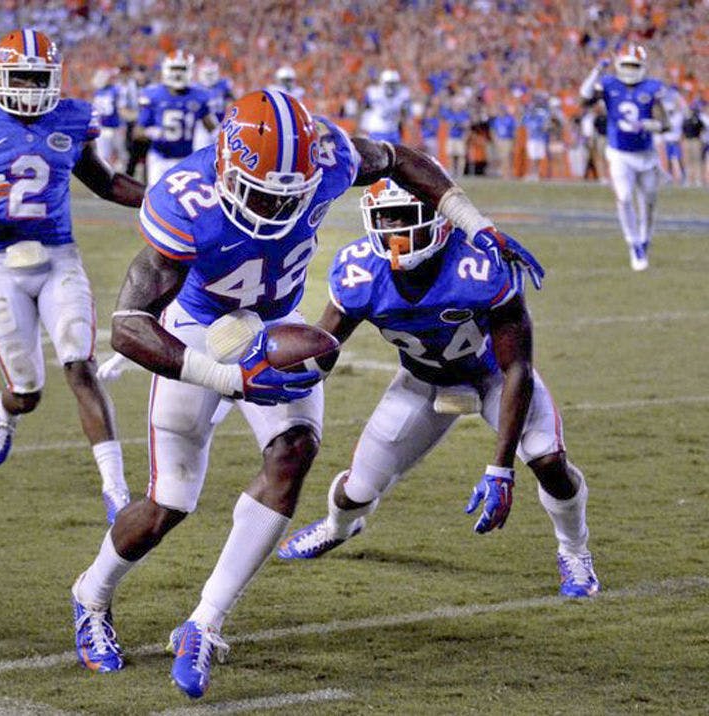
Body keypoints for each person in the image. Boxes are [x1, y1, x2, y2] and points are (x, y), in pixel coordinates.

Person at [69, 88, 542, 698]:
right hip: (198, 332)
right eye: (263, 193)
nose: (276, 208)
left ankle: (205, 622)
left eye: (290, 196)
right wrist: (230, 377)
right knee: (170, 503)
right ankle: (92, 593)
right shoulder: (185, 198)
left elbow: (400, 158)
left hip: (273, 326)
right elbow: (128, 326)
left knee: (294, 450)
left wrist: (474, 222)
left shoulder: (330, 156)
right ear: (225, 168)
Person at [277, 180, 597, 601]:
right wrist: (272, 370)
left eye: (404, 217)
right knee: (357, 490)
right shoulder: (360, 272)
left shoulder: (480, 265)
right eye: (384, 219)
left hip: (492, 379)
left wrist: (500, 468)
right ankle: (339, 526)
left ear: (439, 220)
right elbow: (324, 348)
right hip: (421, 384)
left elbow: (517, 366)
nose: (394, 231)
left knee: (548, 458)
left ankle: (575, 551)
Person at [0, 30, 145, 523]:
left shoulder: (72, 119)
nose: (30, 86)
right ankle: (6, 414)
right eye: (21, 76)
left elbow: (107, 181)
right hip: (2, 264)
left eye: (38, 76)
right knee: (26, 391)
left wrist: (161, 198)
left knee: (80, 363)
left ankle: (115, 488)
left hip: (59, 258)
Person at [580, 44, 667, 271]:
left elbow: (665, 124)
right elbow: (585, 97)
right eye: (626, 64)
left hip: (646, 154)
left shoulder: (652, 87)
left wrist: (649, 125)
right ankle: (634, 244)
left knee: (648, 202)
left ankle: (644, 240)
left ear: (642, 66)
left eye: (633, 65)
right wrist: (596, 71)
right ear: (618, 64)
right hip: (619, 152)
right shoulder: (609, 84)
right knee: (624, 197)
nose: (629, 69)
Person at [137, 51, 217, 185]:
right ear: (166, 69)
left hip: (186, 158)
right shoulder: (153, 95)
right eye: (174, 68)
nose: (178, 73)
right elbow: (138, 131)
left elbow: (211, 126)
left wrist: (222, 138)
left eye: (182, 68)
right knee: (155, 198)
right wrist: (151, 132)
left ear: (190, 70)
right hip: (159, 159)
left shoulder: (199, 95)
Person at [359, 69, 411, 144]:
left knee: (396, 154)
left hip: (393, 132)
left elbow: (405, 115)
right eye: (389, 84)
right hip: (377, 131)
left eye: (393, 84)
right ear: (382, 83)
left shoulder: (402, 94)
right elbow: (364, 110)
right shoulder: (373, 93)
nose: (391, 87)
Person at [91, 67, 126, 172]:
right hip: (104, 127)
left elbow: (120, 108)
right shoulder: (99, 92)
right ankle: (109, 176)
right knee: (103, 157)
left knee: (122, 155)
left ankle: (121, 176)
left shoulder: (116, 90)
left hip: (115, 127)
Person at [192, 59, 232, 151]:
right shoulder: (195, 88)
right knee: (201, 151)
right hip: (202, 126)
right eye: (207, 74)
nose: (209, 77)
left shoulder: (223, 85)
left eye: (211, 74)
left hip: (221, 122)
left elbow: (231, 102)